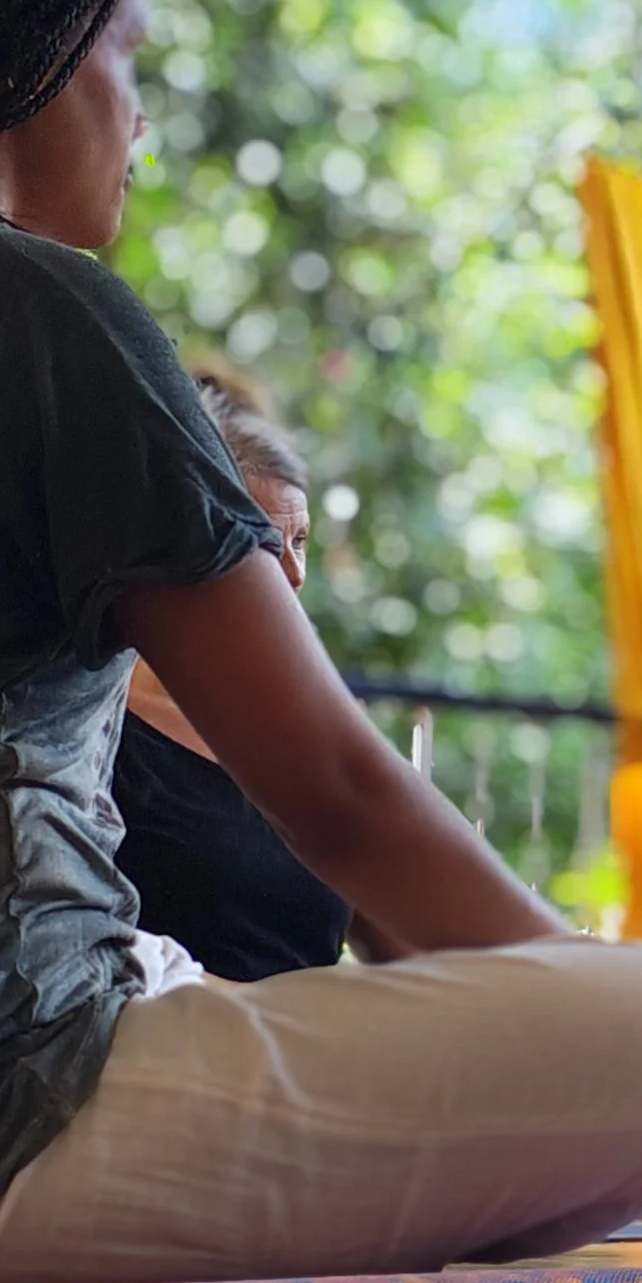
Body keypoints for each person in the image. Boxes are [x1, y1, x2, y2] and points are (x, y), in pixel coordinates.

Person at [0, 0, 642, 1283]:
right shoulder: (32, 307)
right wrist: (577, 995)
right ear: (38, 47)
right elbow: (341, 799)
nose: (142, 125)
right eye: (131, 60)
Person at [114, 368, 382, 979]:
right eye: (263, 542)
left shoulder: (319, 727)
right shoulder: (96, 729)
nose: (294, 574)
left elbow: (399, 924)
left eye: (302, 540)